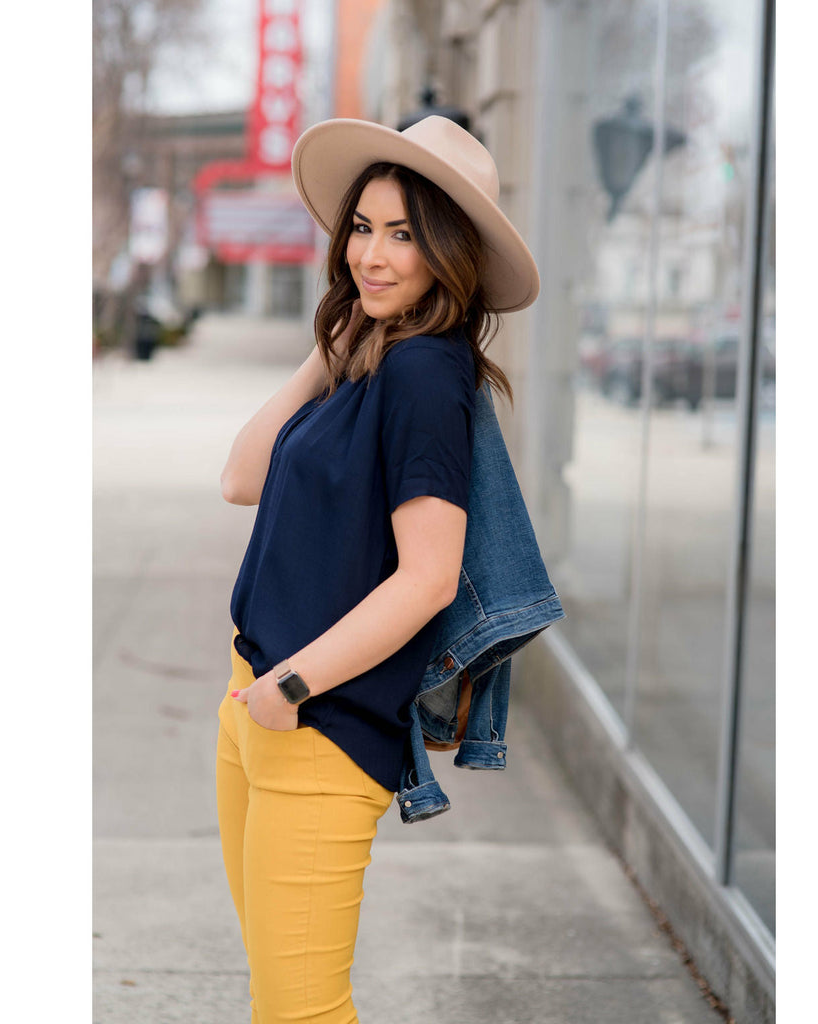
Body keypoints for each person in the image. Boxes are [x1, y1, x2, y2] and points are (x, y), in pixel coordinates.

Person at [214, 115, 540, 1024]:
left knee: (301, 1012)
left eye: (403, 234)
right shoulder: (369, 361)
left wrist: (295, 684)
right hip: (257, 704)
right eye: (363, 227)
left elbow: (430, 578)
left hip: (319, 726)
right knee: (279, 1000)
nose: (374, 254)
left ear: (448, 250)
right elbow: (241, 475)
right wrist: (329, 348)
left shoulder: (427, 378)